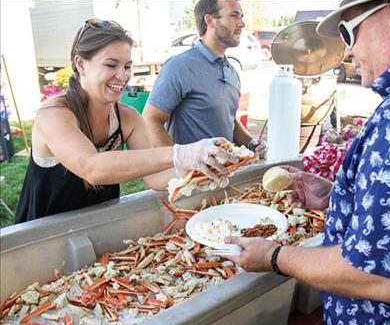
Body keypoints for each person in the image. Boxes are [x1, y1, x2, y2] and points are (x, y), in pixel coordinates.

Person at [225, 0, 390, 325]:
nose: (348, 50)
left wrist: (275, 256)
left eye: (348, 32)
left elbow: (382, 274)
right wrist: (341, 197)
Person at [15, 19, 237, 224]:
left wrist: (198, 169)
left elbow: (156, 177)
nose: (122, 76)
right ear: (81, 64)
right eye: (111, 65)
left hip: (97, 227)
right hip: (40, 236)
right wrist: (181, 153)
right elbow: (92, 168)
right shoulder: (53, 114)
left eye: (127, 66)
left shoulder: (127, 117)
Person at [142, 0, 266, 158]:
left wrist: (251, 143)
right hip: (191, 180)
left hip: (224, 177)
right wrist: (181, 162)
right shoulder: (180, 66)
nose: (242, 23)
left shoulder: (231, 71)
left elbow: (228, 120)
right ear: (210, 20)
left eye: (241, 16)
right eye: (234, 16)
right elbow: (150, 120)